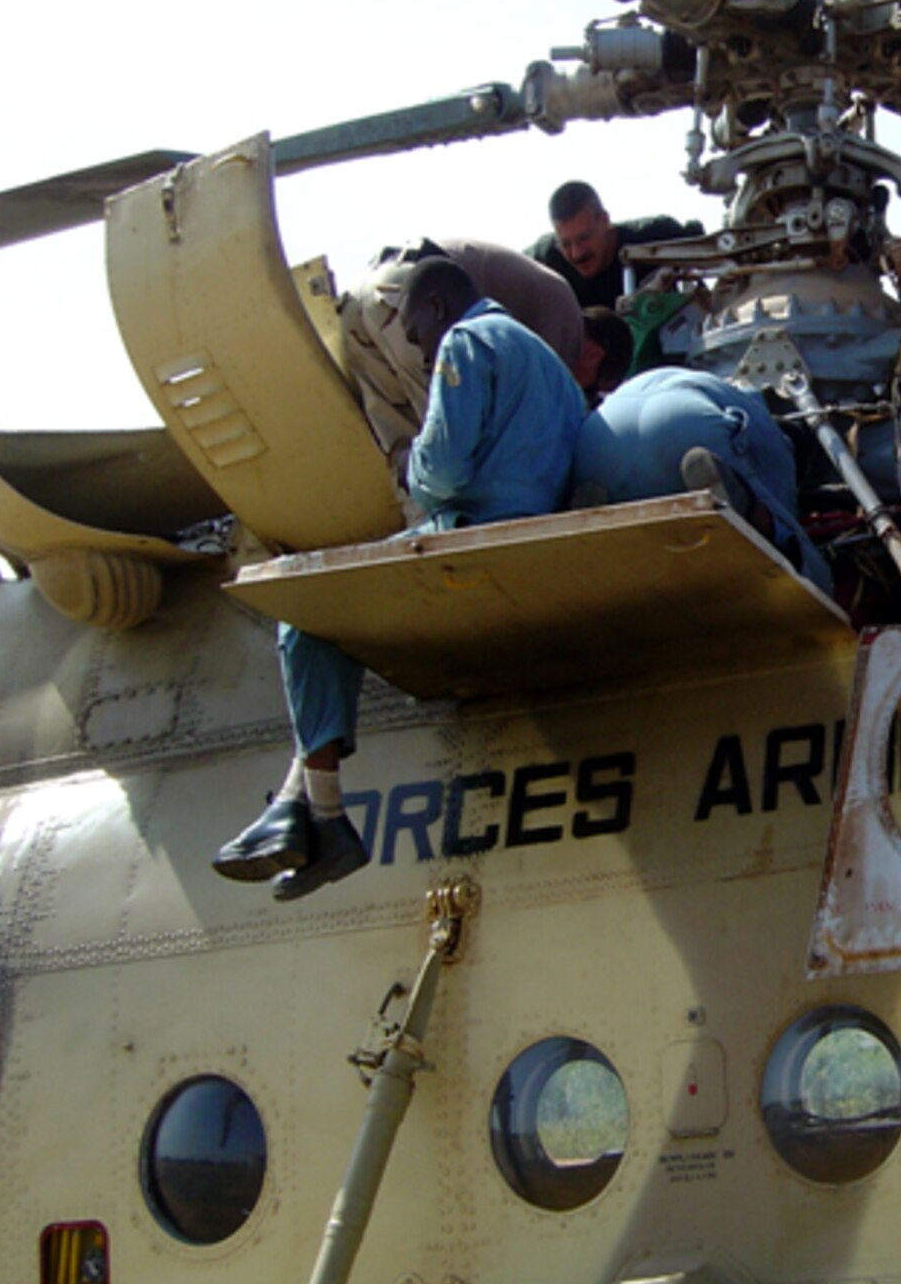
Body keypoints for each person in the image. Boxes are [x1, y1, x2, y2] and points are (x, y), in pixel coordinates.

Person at [214, 259, 587, 901]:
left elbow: (440, 471)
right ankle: (301, 807)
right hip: (530, 539)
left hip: (468, 534)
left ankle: (324, 816)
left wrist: (410, 465)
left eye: (416, 334)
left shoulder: (466, 340)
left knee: (305, 610)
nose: (420, 350)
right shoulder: (550, 366)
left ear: (438, 308)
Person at [339, 237, 586, 491]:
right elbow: (541, 409)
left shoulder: (526, 289)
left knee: (402, 442)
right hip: (406, 292)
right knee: (446, 448)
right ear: (594, 352)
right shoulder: (561, 319)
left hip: (356, 296)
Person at [572, 367, 832, 595]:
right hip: (684, 424)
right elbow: (785, 515)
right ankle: (743, 510)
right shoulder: (781, 443)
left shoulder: (732, 388)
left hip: (599, 433)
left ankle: (594, 519)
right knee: (805, 572)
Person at [527, 181, 704, 314]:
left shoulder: (654, 238)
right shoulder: (544, 260)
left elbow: (704, 247)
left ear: (604, 221)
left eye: (584, 238)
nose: (577, 253)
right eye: (565, 244)